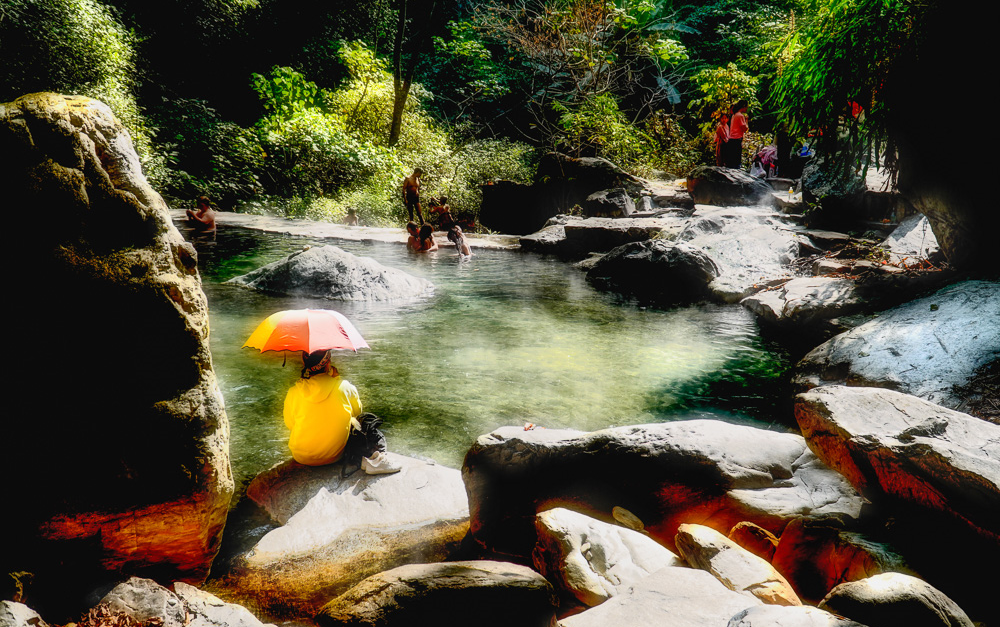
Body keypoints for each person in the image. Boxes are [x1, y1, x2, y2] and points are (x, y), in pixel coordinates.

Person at [283, 349, 400, 474]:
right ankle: (375, 461)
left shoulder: (293, 391)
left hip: (301, 457)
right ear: (328, 363)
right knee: (369, 427)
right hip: (334, 456)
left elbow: (290, 424)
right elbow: (357, 413)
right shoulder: (344, 387)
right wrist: (336, 380)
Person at [727, 101, 749, 169]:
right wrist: (746, 121)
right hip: (737, 139)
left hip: (731, 138)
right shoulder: (740, 116)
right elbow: (744, 128)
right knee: (736, 160)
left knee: (731, 159)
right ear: (743, 106)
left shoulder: (734, 115)